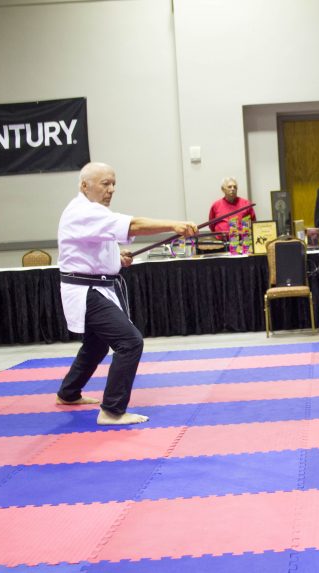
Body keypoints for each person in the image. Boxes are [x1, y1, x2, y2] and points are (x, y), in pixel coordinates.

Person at [57, 162, 198, 425]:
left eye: (113, 184)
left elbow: (93, 247)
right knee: (130, 342)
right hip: (86, 291)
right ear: (85, 185)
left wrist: (115, 258)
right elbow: (133, 225)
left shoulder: (93, 211)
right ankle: (112, 411)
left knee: (97, 344)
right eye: (105, 184)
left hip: (96, 287)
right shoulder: (82, 211)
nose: (111, 189)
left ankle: (68, 392)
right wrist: (174, 225)